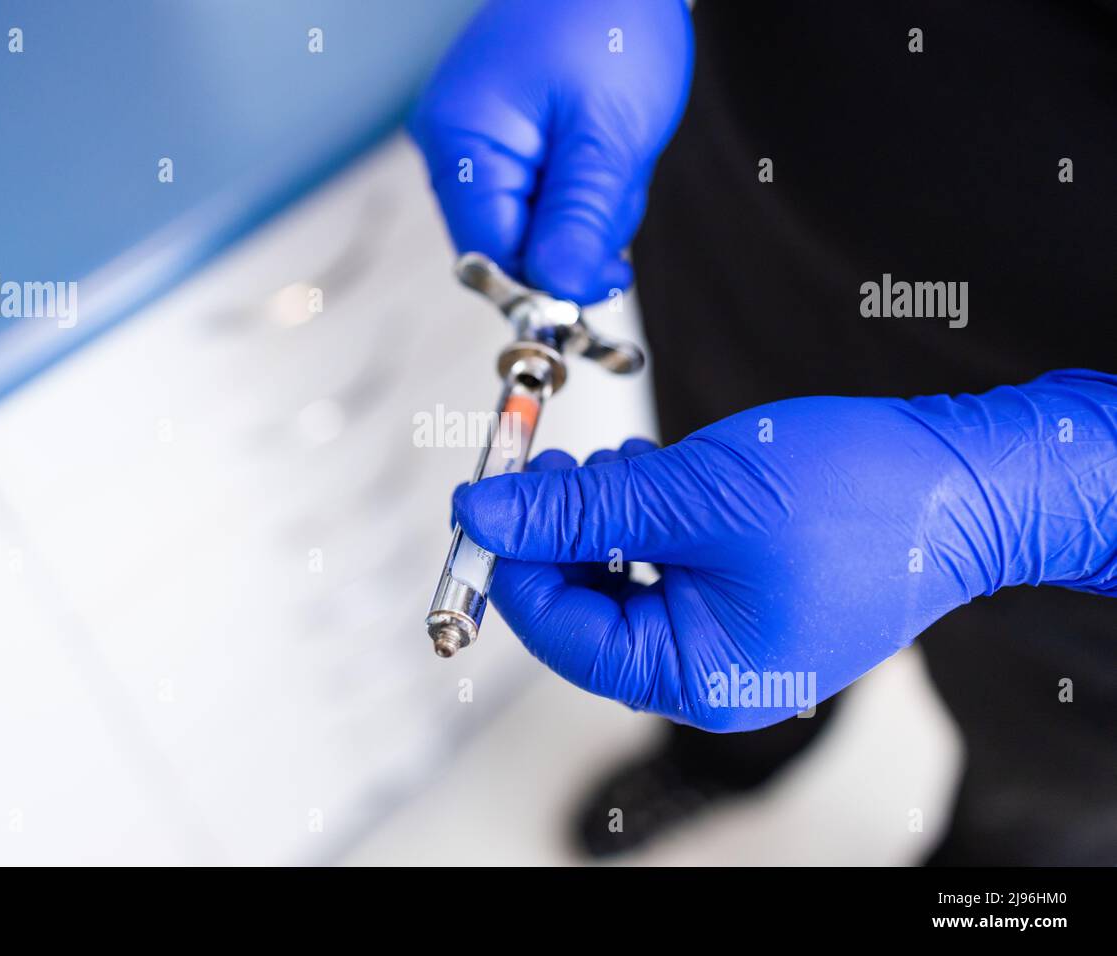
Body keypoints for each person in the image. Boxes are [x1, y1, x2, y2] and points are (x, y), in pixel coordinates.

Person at [408, 0, 1117, 864]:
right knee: (702, 593)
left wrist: (1030, 502)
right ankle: (724, 759)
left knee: (1041, 793)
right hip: (750, 218)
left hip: (1069, 448)